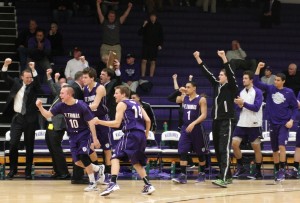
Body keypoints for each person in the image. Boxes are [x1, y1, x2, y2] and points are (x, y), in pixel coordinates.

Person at [36, 86, 105, 191]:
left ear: (69, 95)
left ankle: (92, 183)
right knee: (77, 162)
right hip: (72, 135)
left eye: (62, 93)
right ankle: (98, 168)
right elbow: (47, 115)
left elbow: (91, 122)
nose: (60, 95)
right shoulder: (61, 106)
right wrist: (40, 106)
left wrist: (95, 139)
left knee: (83, 156)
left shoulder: (81, 105)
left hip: (84, 134)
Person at [93, 85, 155, 196]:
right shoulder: (137, 104)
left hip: (131, 134)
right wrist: (145, 135)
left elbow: (116, 124)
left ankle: (112, 183)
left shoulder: (122, 104)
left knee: (115, 157)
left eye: (116, 93)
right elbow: (148, 120)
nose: (114, 95)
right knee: (135, 161)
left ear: (123, 94)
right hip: (141, 135)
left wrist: (99, 121)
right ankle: (148, 185)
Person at [193, 50, 238, 188]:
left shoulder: (232, 87)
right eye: (219, 74)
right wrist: (198, 58)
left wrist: (224, 57)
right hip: (216, 121)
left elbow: (230, 72)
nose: (219, 76)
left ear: (227, 77)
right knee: (218, 149)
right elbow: (207, 72)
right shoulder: (217, 85)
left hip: (227, 120)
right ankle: (227, 175)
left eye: (222, 75)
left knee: (224, 149)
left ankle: (224, 178)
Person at [254, 62, 298, 183]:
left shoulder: (289, 92)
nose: (275, 81)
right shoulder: (270, 88)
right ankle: (277, 169)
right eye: (275, 79)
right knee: (274, 149)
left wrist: (291, 120)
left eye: (278, 80)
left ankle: (282, 171)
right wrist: (258, 68)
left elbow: (295, 108)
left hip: (284, 123)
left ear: (283, 81)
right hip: (273, 123)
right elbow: (256, 82)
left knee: (281, 146)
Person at [1, 59, 41, 180]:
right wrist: (5, 65)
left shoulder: (34, 86)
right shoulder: (16, 83)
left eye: (30, 77)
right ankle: (13, 169)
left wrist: (33, 69)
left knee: (29, 146)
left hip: (30, 120)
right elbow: (5, 77)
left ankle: (28, 171)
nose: (29, 79)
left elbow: (38, 82)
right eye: (27, 77)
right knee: (13, 144)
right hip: (17, 118)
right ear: (22, 77)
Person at [171, 81, 208, 184]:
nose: (186, 88)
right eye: (186, 87)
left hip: (197, 128)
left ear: (194, 88)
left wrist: (194, 123)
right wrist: (179, 91)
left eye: (188, 87)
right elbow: (170, 98)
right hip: (185, 128)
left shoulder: (201, 99)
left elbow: (204, 115)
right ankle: (183, 175)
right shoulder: (184, 98)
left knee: (200, 152)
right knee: (182, 150)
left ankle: (202, 173)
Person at [82, 67, 113, 184]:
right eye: (83, 77)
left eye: (85, 77)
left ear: (92, 78)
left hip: (102, 119)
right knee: (90, 147)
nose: (83, 79)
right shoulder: (85, 89)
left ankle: (108, 174)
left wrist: (80, 108)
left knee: (106, 148)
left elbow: (95, 105)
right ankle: (98, 170)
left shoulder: (100, 88)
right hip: (91, 120)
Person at [231, 71, 263, 180]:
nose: (243, 80)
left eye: (245, 78)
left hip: (254, 123)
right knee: (234, 144)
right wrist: (238, 105)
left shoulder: (258, 92)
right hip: (242, 123)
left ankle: (258, 171)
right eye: (243, 78)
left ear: (251, 80)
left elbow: (256, 107)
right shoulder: (241, 92)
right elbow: (237, 109)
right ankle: (241, 167)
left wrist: (243, 103)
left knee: (256, 148)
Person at [45, 68, 70, 179]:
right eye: (61, 86)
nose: (61, 88)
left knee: (57, 150)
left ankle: (64, 172)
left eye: (64, 87)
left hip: (58, 126)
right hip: (50, 125)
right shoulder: (58, 95)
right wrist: (50, 77)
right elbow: (53, 87)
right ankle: (57, 171)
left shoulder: (66, 99)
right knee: (52, 149)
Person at [138, 12, 163, 78]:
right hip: (146, 45)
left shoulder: (159, 25)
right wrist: (143, 25)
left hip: (154, 46)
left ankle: (151, 76)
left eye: (154, 16)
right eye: (151, 16)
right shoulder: (146, 24)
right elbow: (139, 33)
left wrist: (160, 44)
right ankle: (143, 75)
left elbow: (161, 36)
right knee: (144, 60)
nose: (152, 18)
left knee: (153, 61)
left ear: (156, 17)